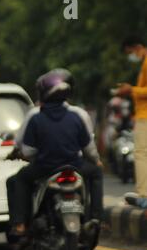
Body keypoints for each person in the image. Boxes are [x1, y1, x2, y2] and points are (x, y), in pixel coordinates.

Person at [7, 69, 103, 241]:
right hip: (75, 166)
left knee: (20, 179)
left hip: (45, 168)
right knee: (96, 173)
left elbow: (27, 150)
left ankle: (20, 224)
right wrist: (97, 161)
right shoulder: (77, 115)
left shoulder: (36, 116)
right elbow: (89, 147)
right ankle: (97, 218)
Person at [117, 35, 147, 208]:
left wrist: (131, 90)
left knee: (141, 154)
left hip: (145, 115)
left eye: (130, 52)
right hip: (142, 114)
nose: (131, 56)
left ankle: (144, 195)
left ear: (137, 47)